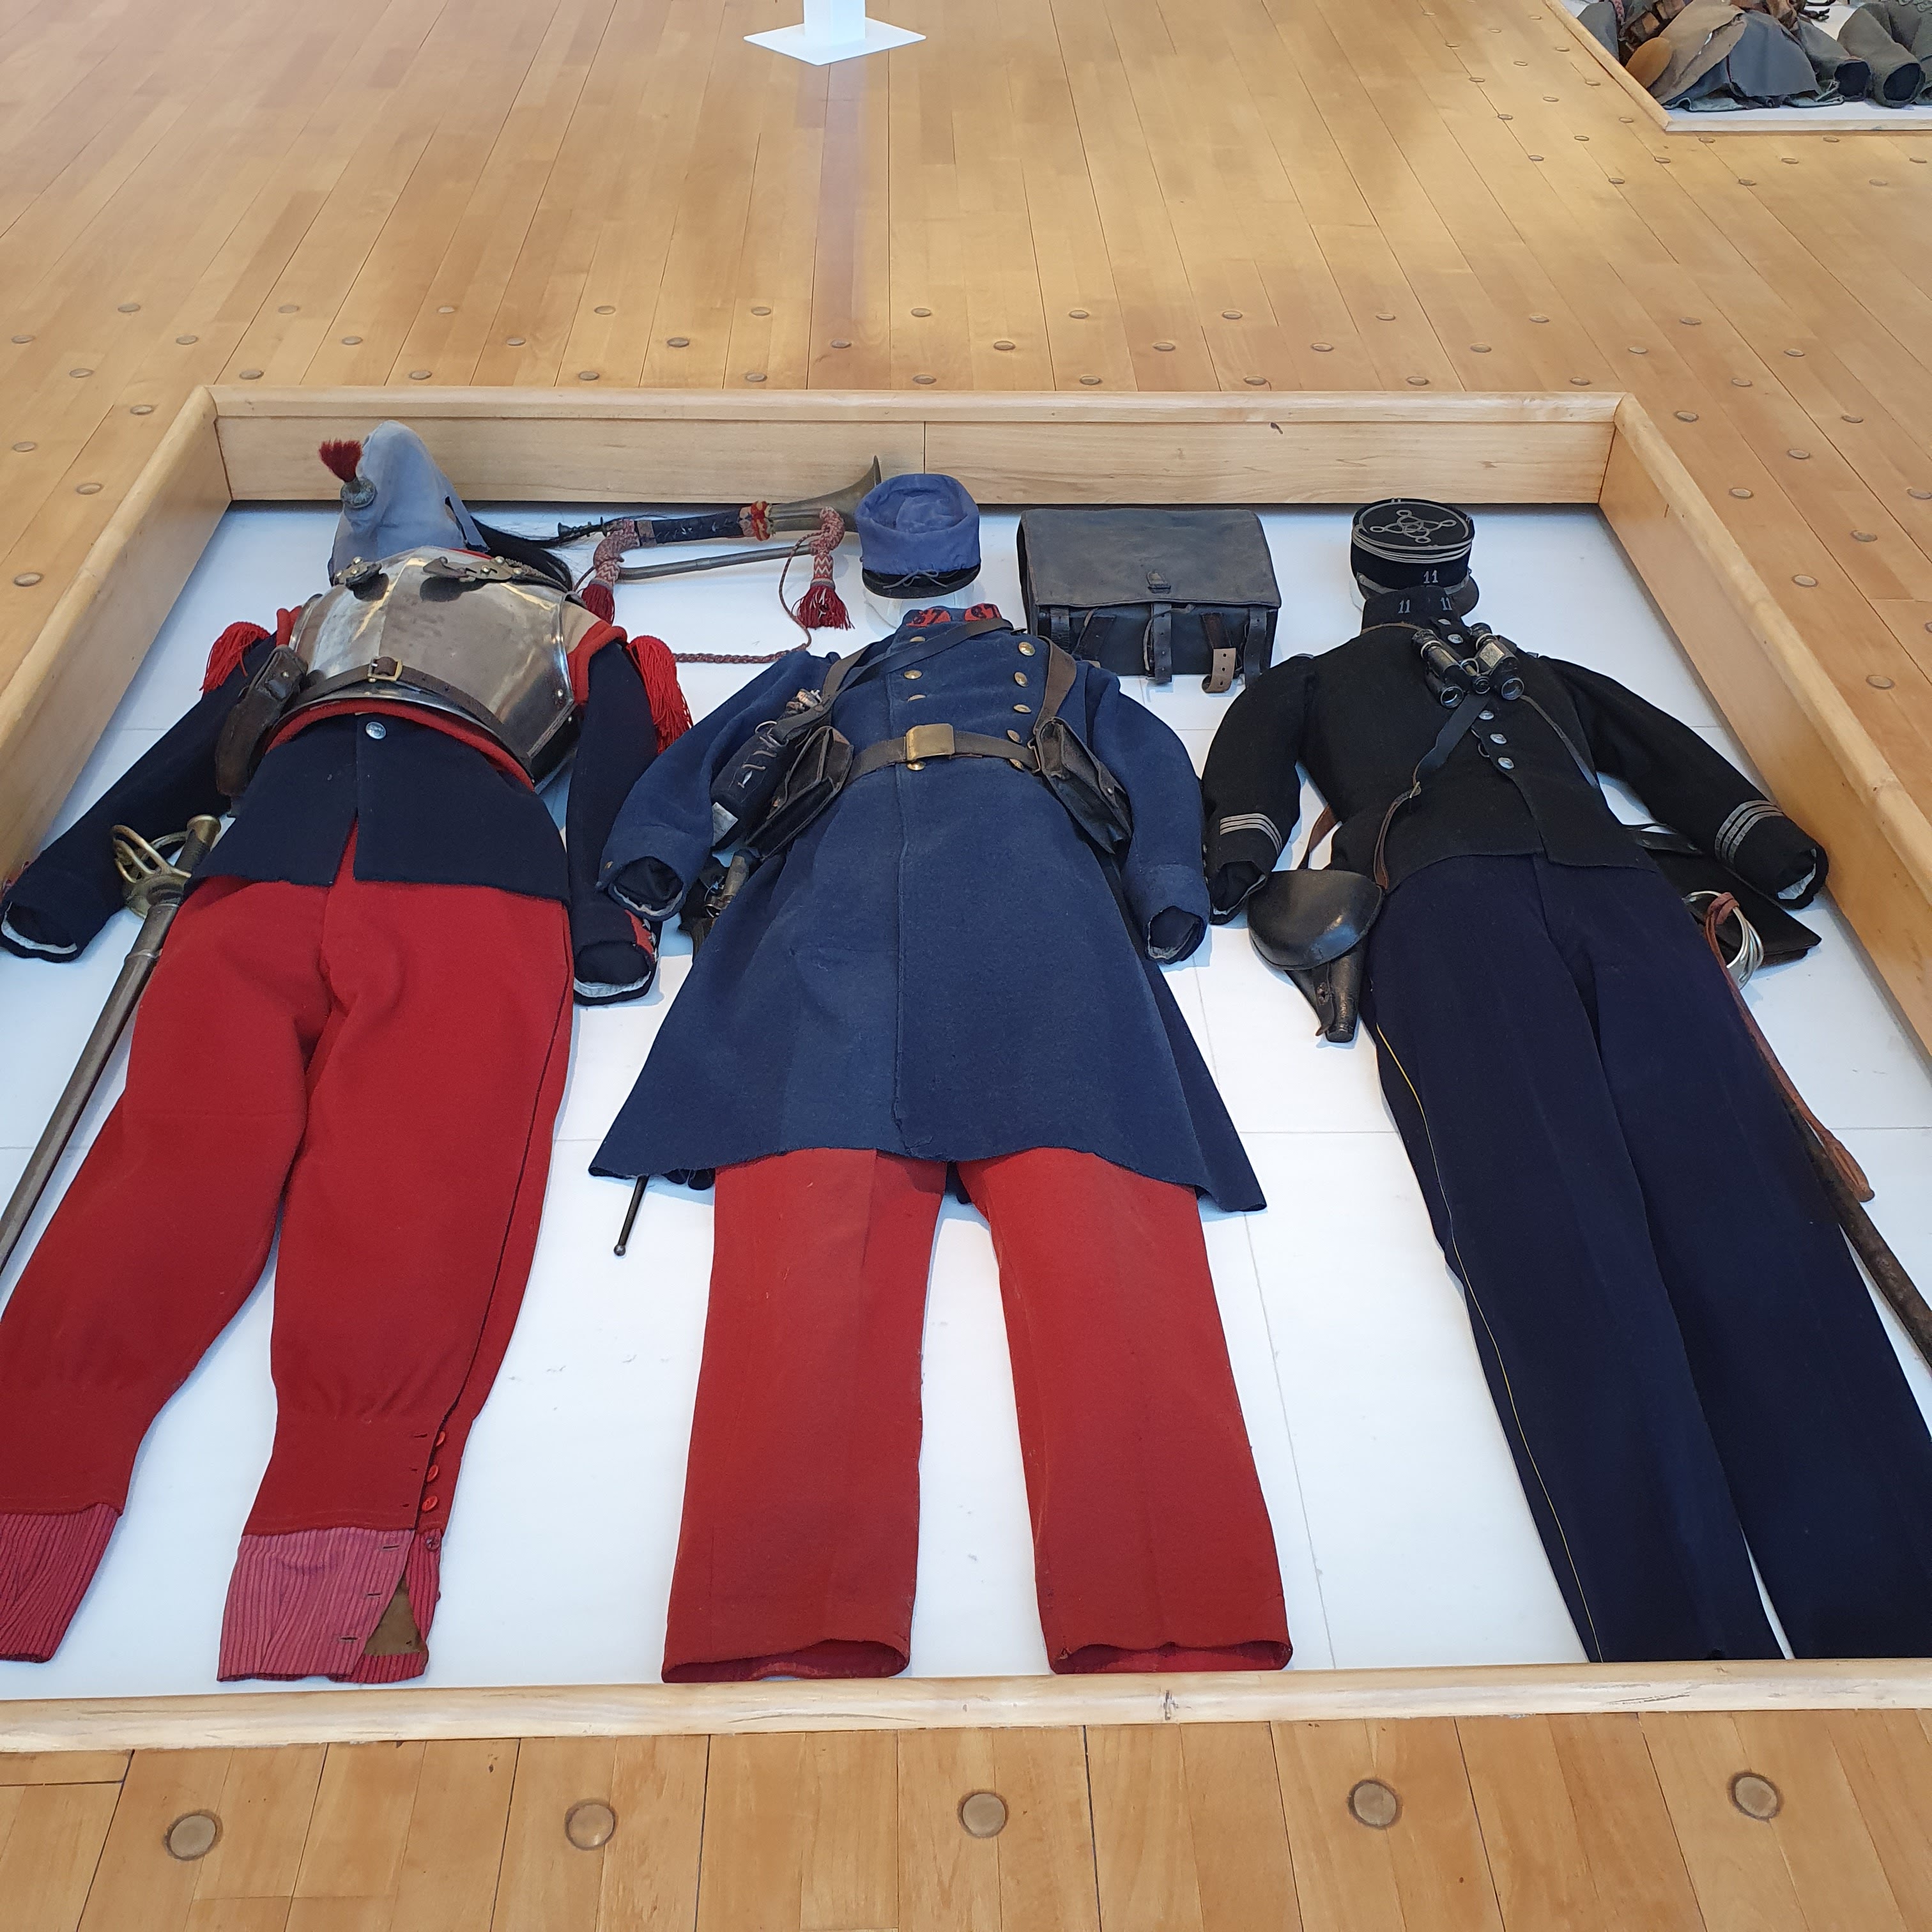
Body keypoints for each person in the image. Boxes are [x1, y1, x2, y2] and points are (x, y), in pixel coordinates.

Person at [0, 423, 688, 1681]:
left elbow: (617, 769)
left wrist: (606, 917)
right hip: (265, 871)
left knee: (408, 1194)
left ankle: (330, 1582)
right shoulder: (314, 621)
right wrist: (70, 882)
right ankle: (21, 1505)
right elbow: (190, 752)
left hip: (468, 887)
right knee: (168, 1166)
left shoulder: (565, 628)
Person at [1200, 497, 1932, 1663]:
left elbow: (1657, 750)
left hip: (1621, 896)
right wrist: (1240, 848)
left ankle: (1901, 1613)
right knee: (1548, 1226)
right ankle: (1686, 1645)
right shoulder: (1317, 679)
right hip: (1441, 908)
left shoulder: (1543, 673)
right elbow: (1250, 761)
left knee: (1752, 1205)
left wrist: (1754, 840)